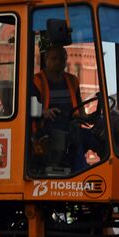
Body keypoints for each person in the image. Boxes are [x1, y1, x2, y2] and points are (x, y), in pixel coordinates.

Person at [30, 44, 85, 175]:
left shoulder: (72, 81)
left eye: (61, 59)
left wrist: (85, 116)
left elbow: (80, 106)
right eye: (54, 59)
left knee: (96, 136)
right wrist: (44, 112)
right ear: (46, 60)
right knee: (71, 140)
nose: (58, 62)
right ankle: (78, 172)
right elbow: (30, 108)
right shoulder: (36, 81)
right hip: (47, 128)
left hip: (71, 125)